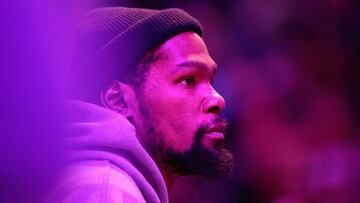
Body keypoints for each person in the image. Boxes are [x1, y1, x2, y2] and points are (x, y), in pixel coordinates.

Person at [49, 7, 234, 203]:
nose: (217, 99)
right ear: (119, 99)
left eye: (211, 82)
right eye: (188, 80)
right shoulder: (104, 191)